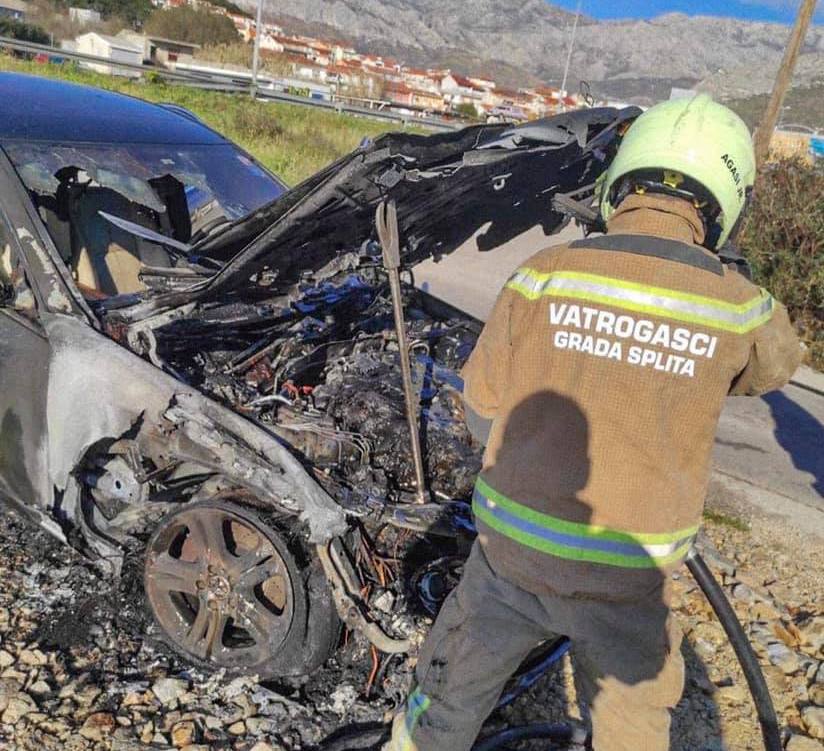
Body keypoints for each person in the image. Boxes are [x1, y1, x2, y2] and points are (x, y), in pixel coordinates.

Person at [385, 94, 802, 751]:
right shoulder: (740, 307)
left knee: (446, 702)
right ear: (726, 201)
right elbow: (774, 367)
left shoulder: (543, 275)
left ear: (620, 181)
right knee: (631, 729)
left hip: (510, 564)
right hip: (628, 582)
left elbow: (479, 410)